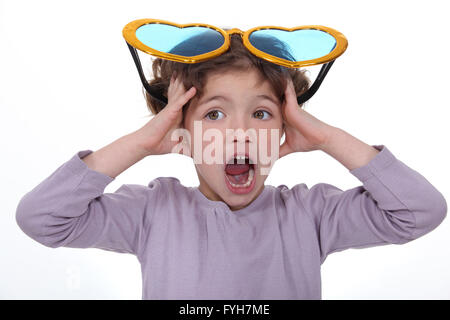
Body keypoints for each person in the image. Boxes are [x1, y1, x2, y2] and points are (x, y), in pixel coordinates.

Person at [15, 32, 447, 300]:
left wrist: (326, 137)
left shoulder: (311, 214)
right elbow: (41, 219)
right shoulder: (151, 212)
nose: (240, 132)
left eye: (261, 114)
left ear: (284, 128)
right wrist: (140, 144)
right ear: (179, 131)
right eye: (214, 114)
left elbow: (419, 211)